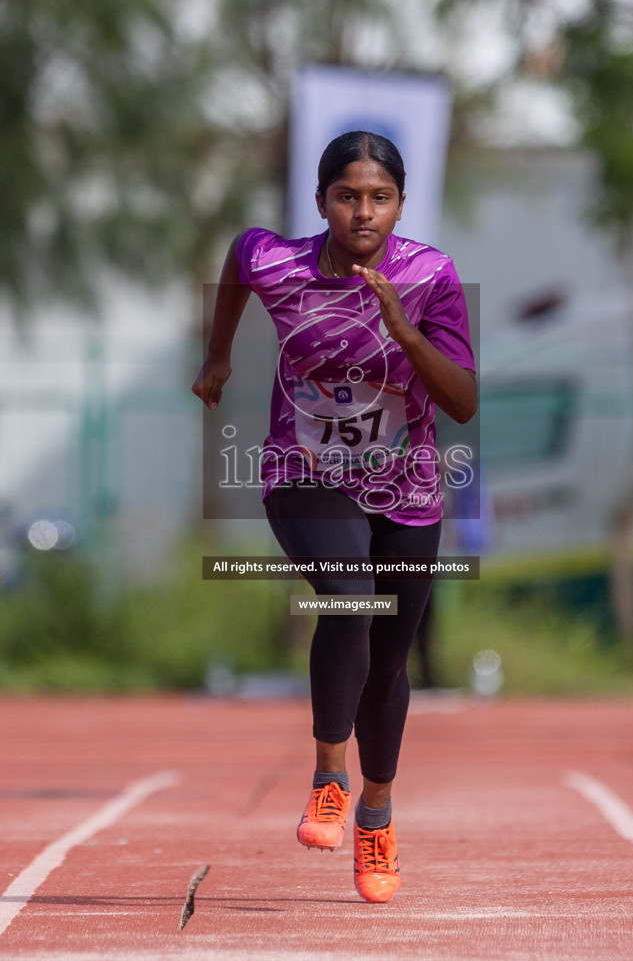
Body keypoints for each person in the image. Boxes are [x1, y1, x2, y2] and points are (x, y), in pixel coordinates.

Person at [192, 131, 477, 903]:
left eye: (378, 197)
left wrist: (402, 329)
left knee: (391, 659)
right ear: (320, 201)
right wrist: (219, 353)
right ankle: (328, 775)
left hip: (407, 486)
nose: (363, 211)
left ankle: (376, 819)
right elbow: (238, 260)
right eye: (347, 196)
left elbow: (460, 402)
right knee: (350, 598)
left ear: (400, 204)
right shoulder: (277, 261)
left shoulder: (428, 276)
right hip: (303, 470)